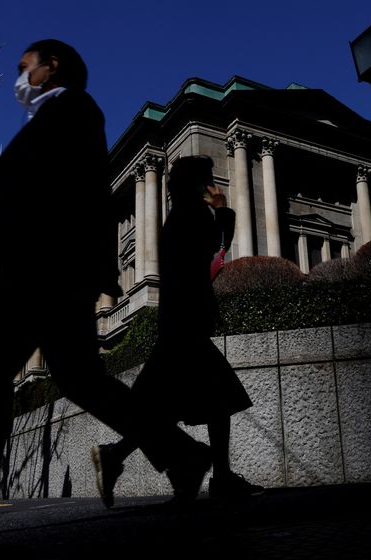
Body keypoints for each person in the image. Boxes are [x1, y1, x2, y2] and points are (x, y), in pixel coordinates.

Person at [0, 40, 210, 538]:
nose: (19, 78)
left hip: (42, 266)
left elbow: (72, 193)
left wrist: (43, 253)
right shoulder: (60, 115)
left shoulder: (73, 109)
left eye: (24, 68)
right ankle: (182, 454)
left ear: (50, 66)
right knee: (81, 378)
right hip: (53, 267)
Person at [91, 156, 264, 509]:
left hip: (177, 322)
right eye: (207, 180)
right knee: (216, 397)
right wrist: (223, 209)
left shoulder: (175, 216)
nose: (211, 185)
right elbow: (217, 248)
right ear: (198, 184)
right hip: (186, 324)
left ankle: (125, 456)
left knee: (176, 405)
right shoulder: (194, 215)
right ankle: (217, 477)